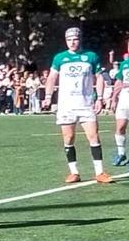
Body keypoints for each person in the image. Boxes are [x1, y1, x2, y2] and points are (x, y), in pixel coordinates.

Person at [42, 26, 111, 184]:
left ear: (80, 39)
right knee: (69, 137)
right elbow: (52, 77)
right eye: (69, 39)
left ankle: (99, 172)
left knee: (93, 136)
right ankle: (74, 172)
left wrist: (99, 98)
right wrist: (47, 96)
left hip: (86, 104)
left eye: (75, 39)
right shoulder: (60, 58)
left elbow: (99, 77)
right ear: (66, 41)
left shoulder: (91, 56)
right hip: (66, 105)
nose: (72, 42)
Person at [109, 52, 129, 166]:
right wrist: (113, 98)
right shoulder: (125, 64)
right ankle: (121, 153)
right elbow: (119, 81)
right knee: (120, 126)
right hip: (124, 98)